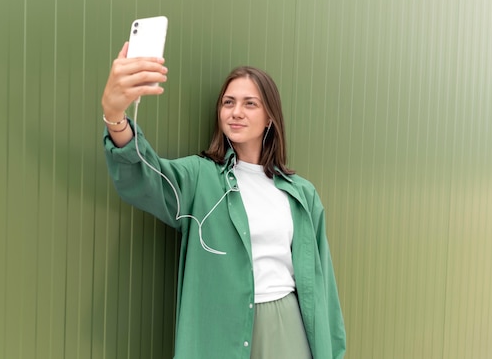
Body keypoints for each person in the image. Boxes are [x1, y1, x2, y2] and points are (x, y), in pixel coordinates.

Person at [102, 41, 346, 359]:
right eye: (228, 102)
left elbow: (321, 282)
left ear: (270, 117)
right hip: (220, 331)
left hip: (287, 328)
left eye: (250, 104)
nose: (236, 112)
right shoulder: (200, 177)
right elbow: (145, 175)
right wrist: (115, 116)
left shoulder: (301, 193)